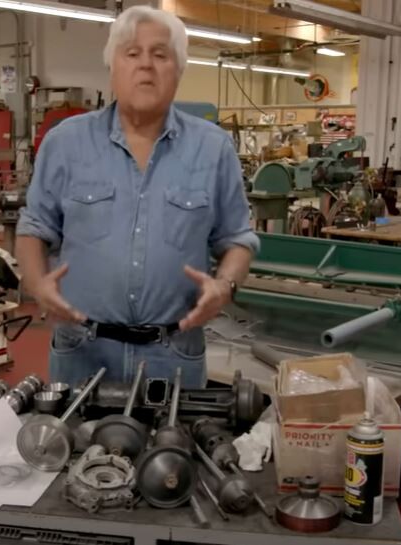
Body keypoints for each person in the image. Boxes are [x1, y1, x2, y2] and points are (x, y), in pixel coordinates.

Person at [16, 6, 259, 388]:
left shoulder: (213, 149)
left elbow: (238, 239)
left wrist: (224, 285)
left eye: (160, 54)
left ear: (179, 70)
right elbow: (33, 228)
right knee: (74, 430)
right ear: (112, 66)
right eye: (132, 53)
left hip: (174, 353)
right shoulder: (65, 142)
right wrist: (36, 283)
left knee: (175, 432)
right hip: (82, 351)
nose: (146, 64)